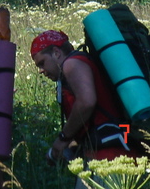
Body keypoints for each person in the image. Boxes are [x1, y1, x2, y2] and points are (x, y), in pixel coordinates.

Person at [30, 30, 136, 186]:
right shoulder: (81, 62)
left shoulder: (72, 64)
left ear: (56, 52)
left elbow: (87, 102)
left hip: (109, 158)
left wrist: (63, 139)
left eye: (42, 63)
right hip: (108, 154)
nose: (41, 70)